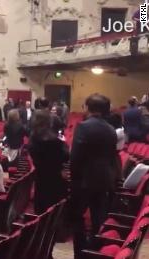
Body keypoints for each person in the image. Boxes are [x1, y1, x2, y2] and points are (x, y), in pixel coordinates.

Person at [70, 94, 118, 259]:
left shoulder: (83, 127)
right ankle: (95, 251)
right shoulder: (111, 130)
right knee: (98, 219)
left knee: (77, 218)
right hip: (104, 179)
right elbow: (112, 156)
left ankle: (80, 253)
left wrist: (72, 177)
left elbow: (75, 156)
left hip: (84, 180)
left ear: (88, 108)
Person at [28, 110, 69, 214]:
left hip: (41, 176)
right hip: (56, 176)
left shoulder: (33, 138)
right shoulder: (55, 140)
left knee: (41, 209)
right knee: (54, 207)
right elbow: (66, 156)